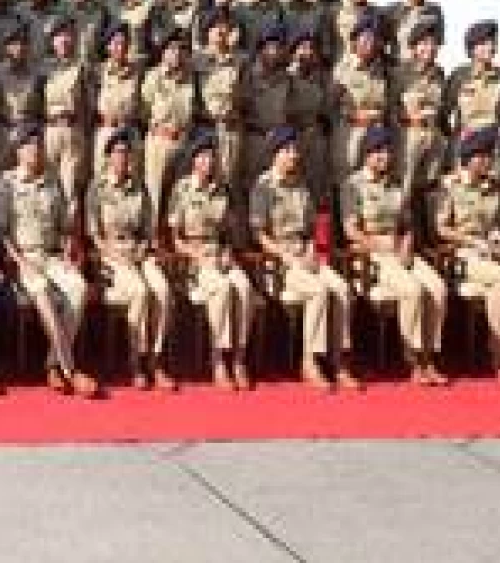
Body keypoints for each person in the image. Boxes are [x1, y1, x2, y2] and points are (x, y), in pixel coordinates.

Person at [250, 127, 361, 391]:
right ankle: (310, 361)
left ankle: (339, 360)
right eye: (287, 151)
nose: (293, 155)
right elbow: (260, 235)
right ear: (275, 155)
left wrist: (312, 249)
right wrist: (288, 257)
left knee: (342, 288)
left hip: (306, 255)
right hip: (279, 262)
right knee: (318, 291)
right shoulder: (263, 186)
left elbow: (312, 227)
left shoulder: (301, 185)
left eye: (294, 150)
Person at [0, 123, 95, 396]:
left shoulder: (52, 181)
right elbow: (1, 233)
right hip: (24, 259)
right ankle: (70, 370)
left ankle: (51, 363)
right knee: (43, 292)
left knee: (79, 287)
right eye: (29, 146)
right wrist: (19, 261)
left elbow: (63, 227)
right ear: (19, 151)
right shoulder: (6, 184)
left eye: (38, 146)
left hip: (51, 256)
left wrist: (68, 252)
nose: (35, 151)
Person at [344, 126, 448, 385]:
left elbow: (407, 225)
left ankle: (429, 356)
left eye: (387, 151)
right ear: (366, 154)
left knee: (437, 288)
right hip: (373, 255)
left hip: (400, 251)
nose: (383, 156)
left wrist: (406, 247)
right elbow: (351, 231)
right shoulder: (353, 185)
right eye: (377, 151)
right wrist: (379, 245)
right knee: (412, 290)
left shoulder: (396, 185)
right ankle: (412, 358)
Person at [434, 128, 500, 381]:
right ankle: (497, 347)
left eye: (491, 156)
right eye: (483, 156)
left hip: (494, 251)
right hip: (464, 255)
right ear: (469, 158)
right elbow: (442, 228)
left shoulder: (498, 188)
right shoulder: (450, 185)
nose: (489, 162)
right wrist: (472, 241)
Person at [88, 127, 175, 390]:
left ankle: (155, 360)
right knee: (139, 291)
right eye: (118, 153)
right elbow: (94, 234)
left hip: (138, 251)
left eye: (128, 153)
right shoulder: (98, 188)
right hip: (111, 255)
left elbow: (149, 231)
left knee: (161, 289)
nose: (124, 158)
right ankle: (135, 361)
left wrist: (143, 249)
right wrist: (113, 252)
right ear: (108, 157)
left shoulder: (140, 188)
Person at [168, 132, 254, 390]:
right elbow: (175, 240)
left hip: (220, 255)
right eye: (203, 156)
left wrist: (227, 253)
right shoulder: (181, 189)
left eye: (211, 156)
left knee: (244, 287)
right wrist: (196, 255)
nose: (209, 161)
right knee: (222, 288)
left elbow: (228, 233)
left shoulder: (222, 190)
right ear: (194, 160)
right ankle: (218, 359)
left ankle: (238, 359)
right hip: (195, 260)